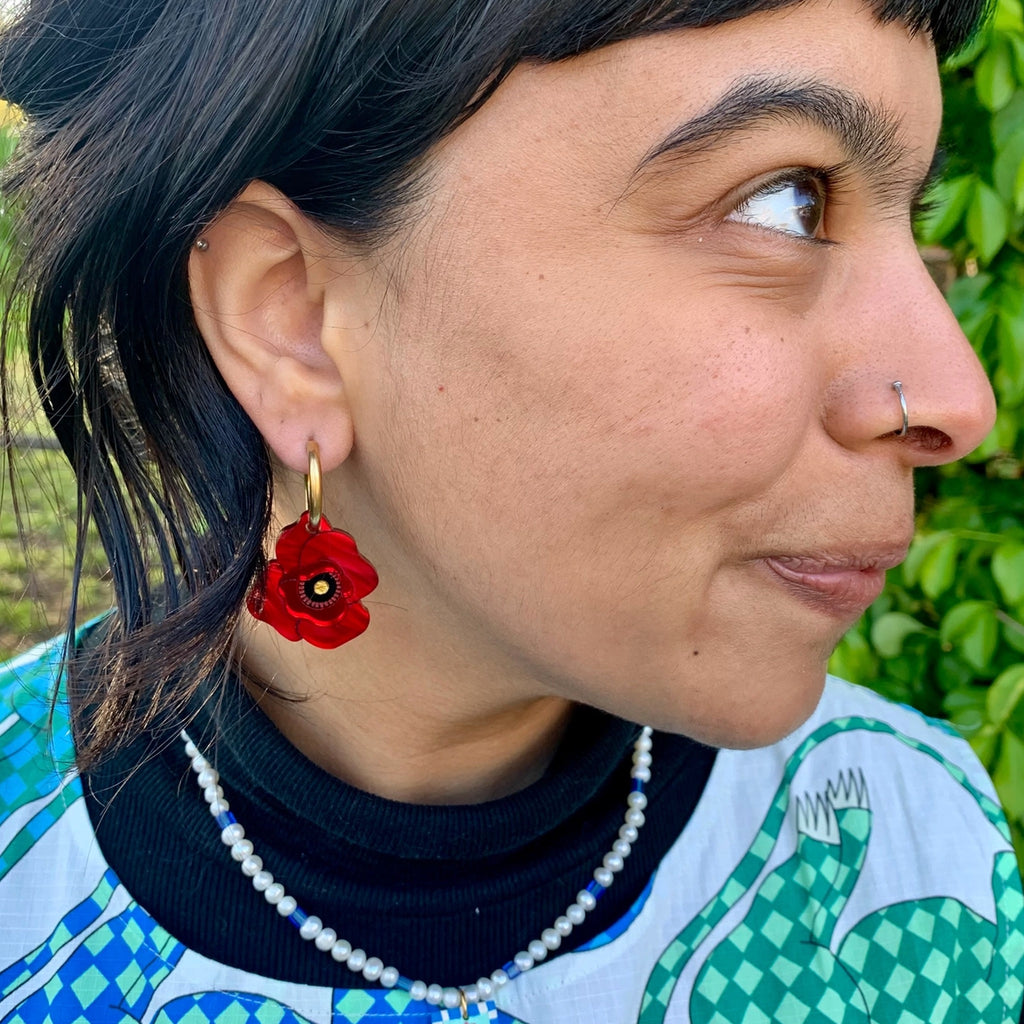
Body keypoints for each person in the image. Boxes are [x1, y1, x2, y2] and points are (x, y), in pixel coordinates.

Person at [0, 0, 1020, 1021]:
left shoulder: (910, 840)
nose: (954, 397)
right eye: (781, 204)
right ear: (292, 320)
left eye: (910, 216)